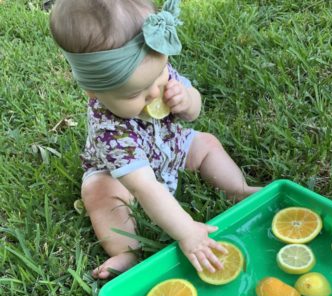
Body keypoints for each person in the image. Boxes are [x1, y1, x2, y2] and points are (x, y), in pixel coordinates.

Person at [49, 0, 261, 279]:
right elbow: (145, 186)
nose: (153, 94)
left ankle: (239, 190)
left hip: (171, 147)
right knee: (99, 193)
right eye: (135, 94)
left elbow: (193, 112)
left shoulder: (157, 75)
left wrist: (186, 101)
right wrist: (187, 231)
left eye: (160, 76)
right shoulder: (110, 130)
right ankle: (126, 250)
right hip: (122, 175)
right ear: (93, 91)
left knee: (206, 144)